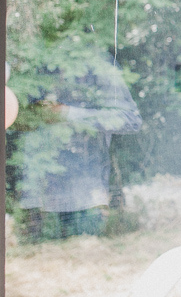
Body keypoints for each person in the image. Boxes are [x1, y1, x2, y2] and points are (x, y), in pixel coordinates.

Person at [14, 39, 142, 240]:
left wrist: (68, 114)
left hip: (83, 199)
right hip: (38, 199)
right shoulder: (35, 61)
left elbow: (130, 120)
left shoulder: (97, 63)